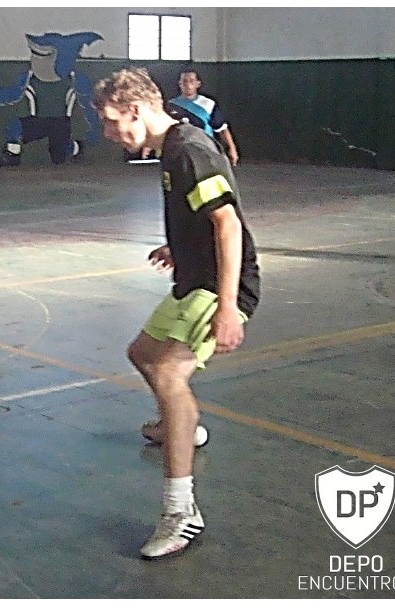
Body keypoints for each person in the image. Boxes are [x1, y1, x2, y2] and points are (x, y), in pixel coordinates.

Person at [92, 67, 260, 560]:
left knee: (169, 373)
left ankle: (181, 512)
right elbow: (201, 217)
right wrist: (179, 246)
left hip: (221, 285)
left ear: (136, 110)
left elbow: (228, 225)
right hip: (194, 276)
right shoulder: (170, 149)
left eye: (111, 122)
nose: (108, 133)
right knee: (143, 353)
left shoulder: (188, 149)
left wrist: (227, 307)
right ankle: (182, 425)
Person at [166, 68, 240, 167]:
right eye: (184, 81)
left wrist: (232, 149)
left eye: (192, 81)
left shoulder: (208, 104)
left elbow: (222, 129)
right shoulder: (170, 105)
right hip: (180, 154)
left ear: (198, 84)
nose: (188, 84)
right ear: (180, 84)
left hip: (205, 151)